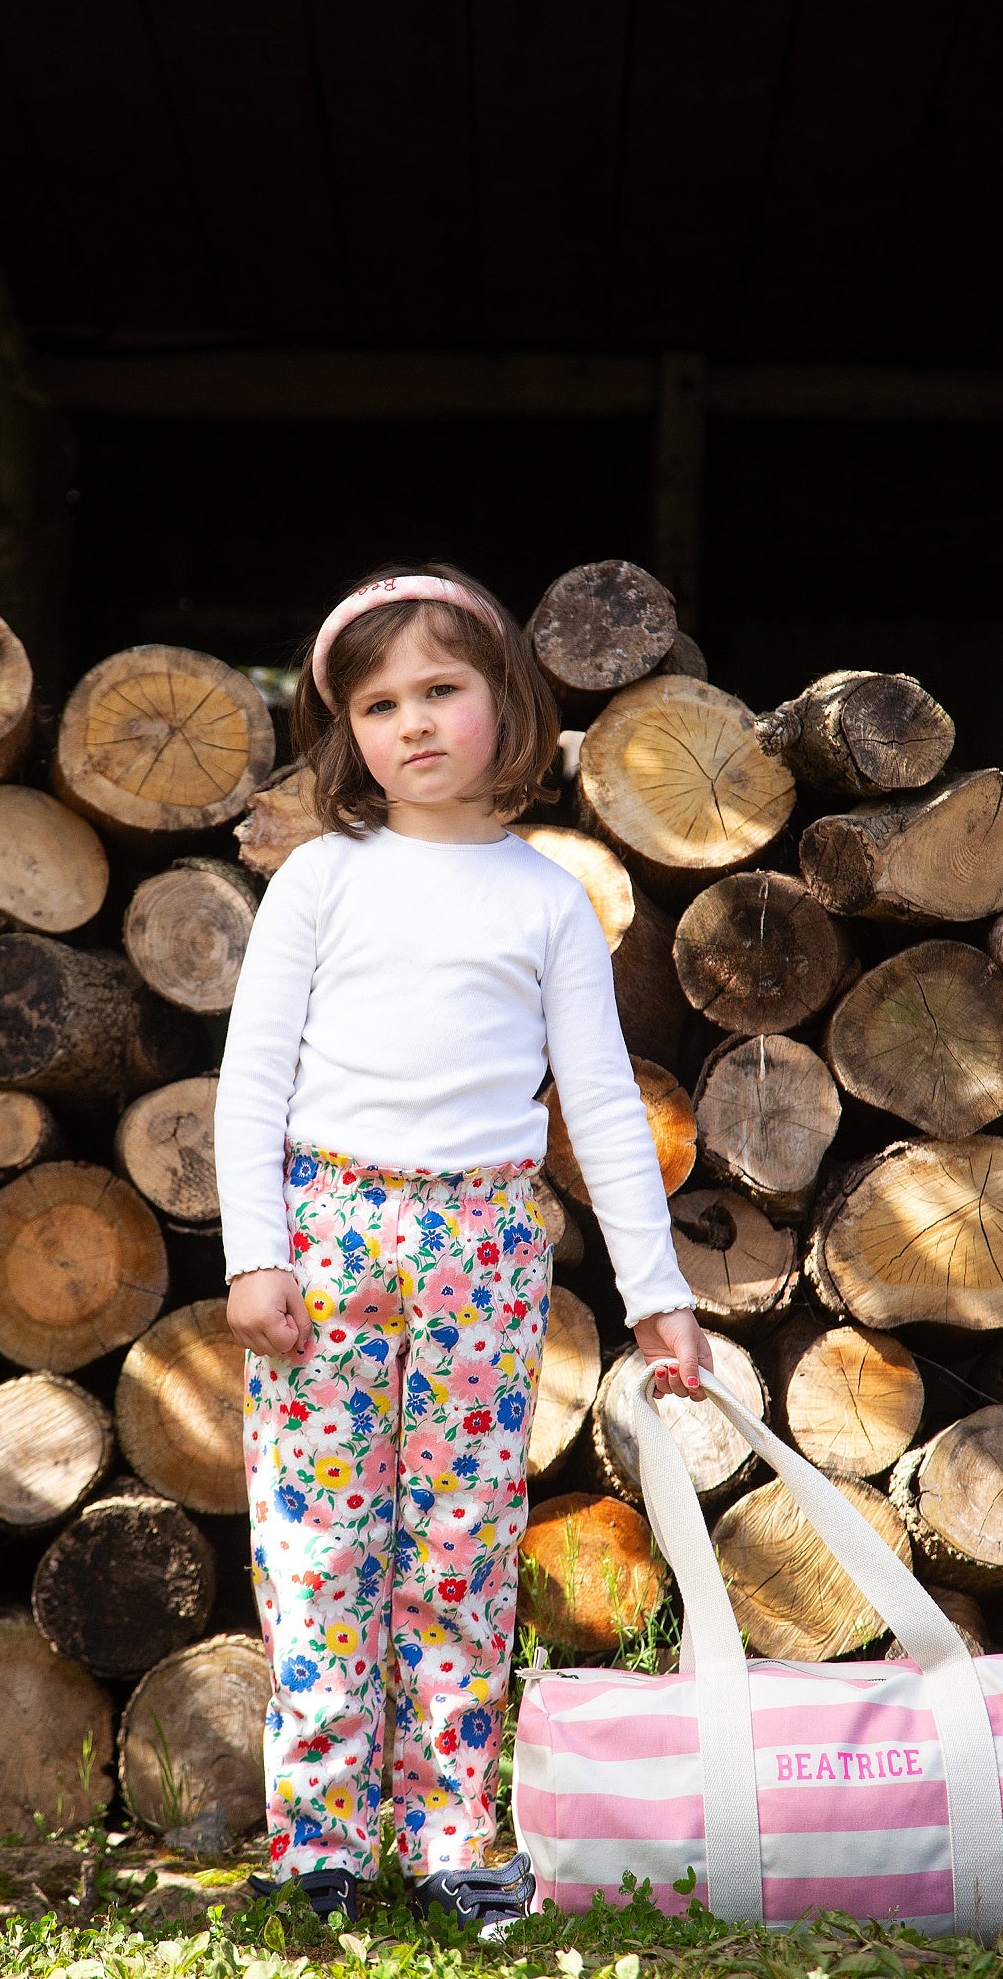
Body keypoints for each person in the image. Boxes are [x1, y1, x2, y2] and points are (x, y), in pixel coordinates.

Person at [213, 562, 711, 1936]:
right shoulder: (321, 878)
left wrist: (656, 1292)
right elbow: (252, 1078)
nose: (414, 723)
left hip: (485, 1249)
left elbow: (600, 1107)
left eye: (443, 688)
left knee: (460, 1541)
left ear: (511, 702)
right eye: (378, 704)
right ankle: (318, 1839)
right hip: (329, 1237)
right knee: (319, 1545)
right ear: (346, 733)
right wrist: (255, 1251)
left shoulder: (543, 899)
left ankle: (447, 1834)